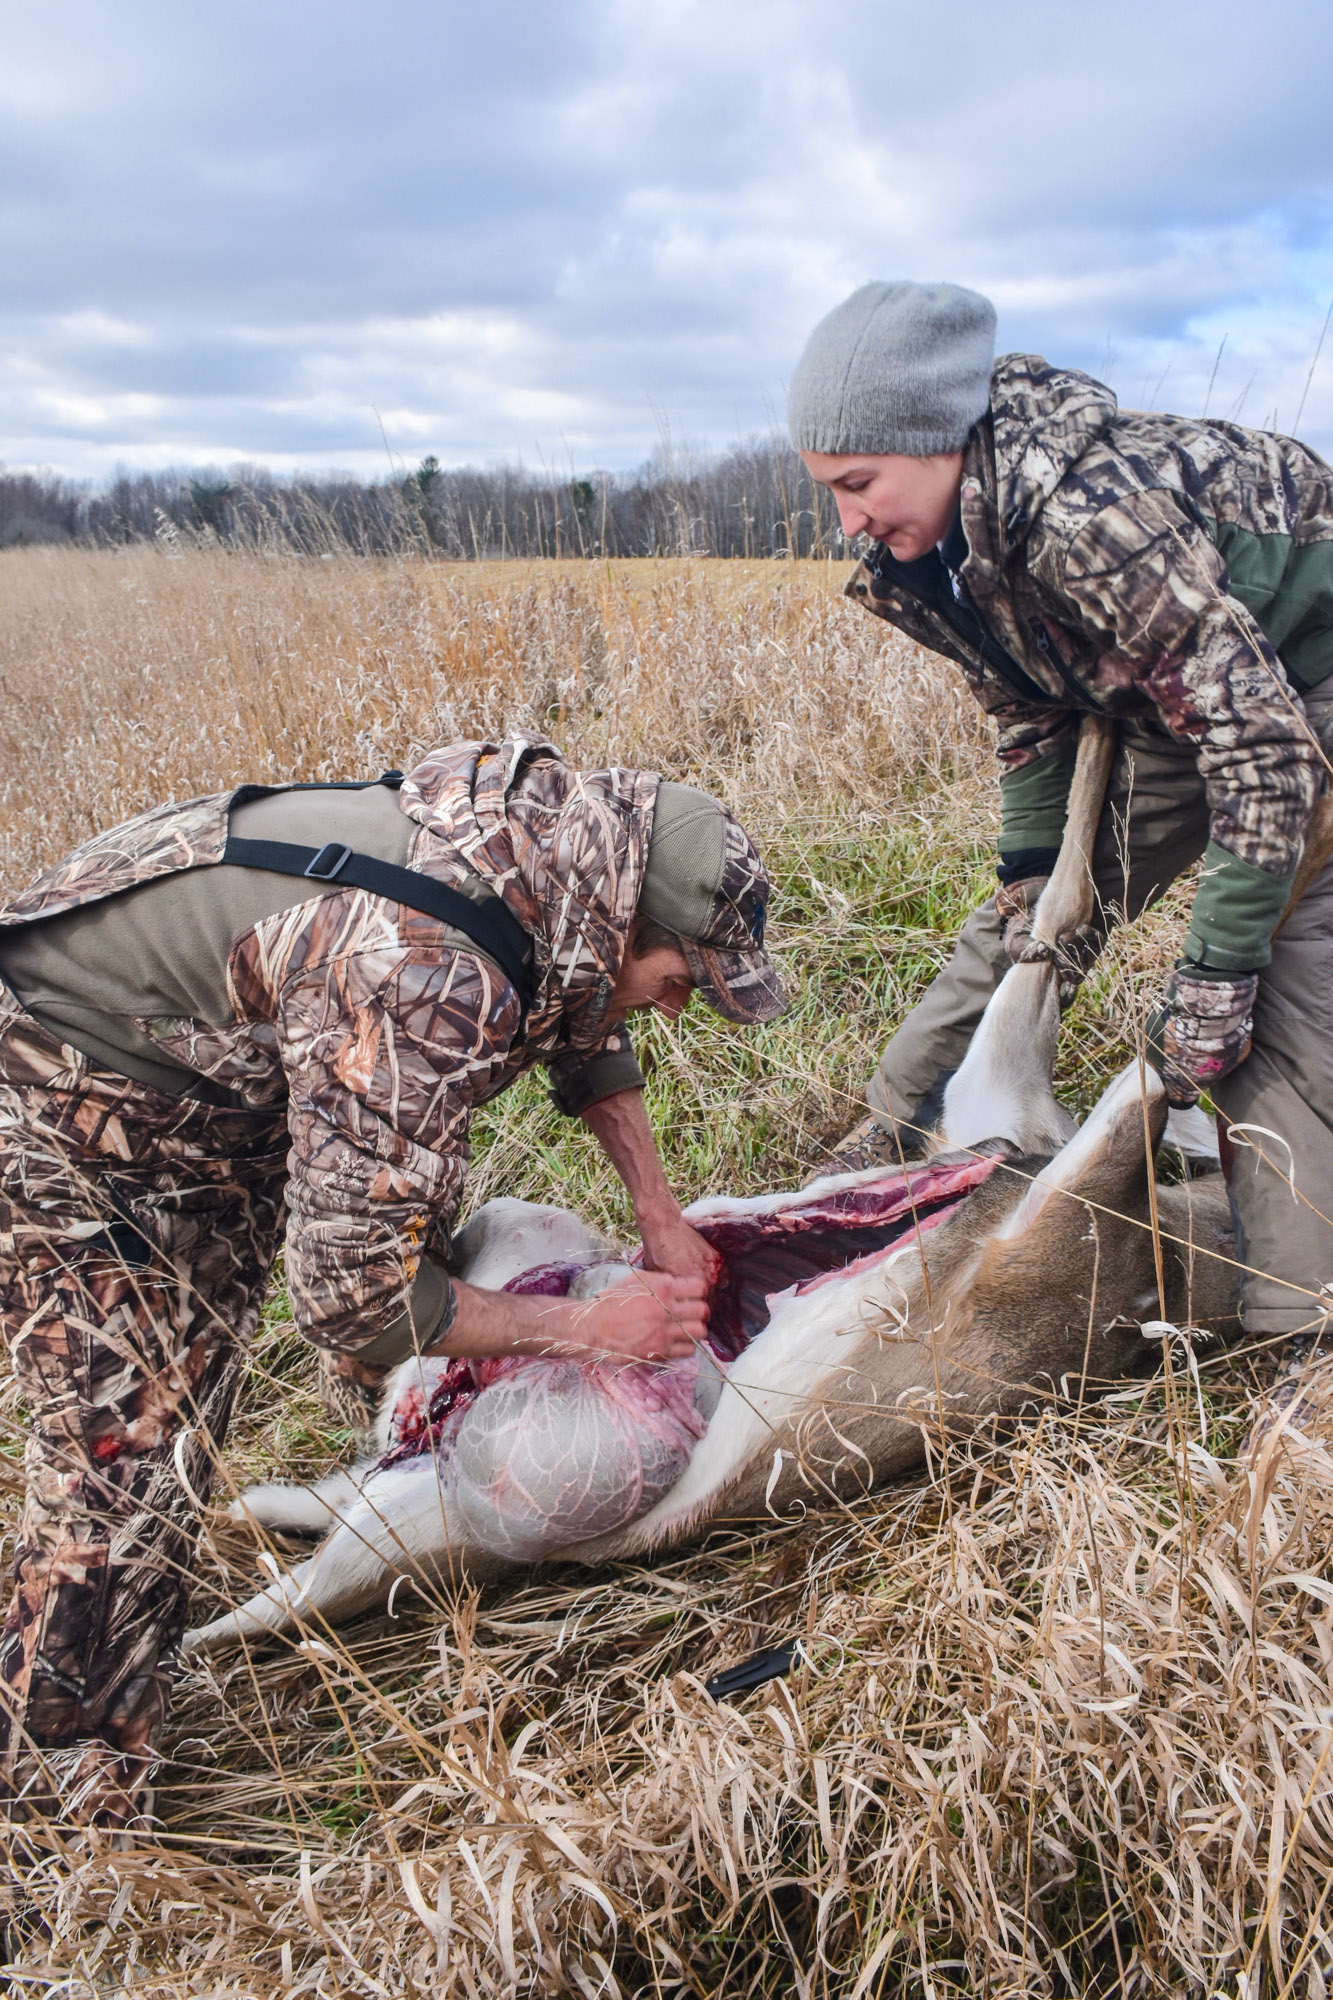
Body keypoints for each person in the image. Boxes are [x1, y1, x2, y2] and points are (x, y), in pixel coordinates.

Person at [0, 734, 785, 1829]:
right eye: (679, 977)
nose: (674, 1007)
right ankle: (54, 1813)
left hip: (196, 1062)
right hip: (69, 1078)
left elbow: (580, 1014)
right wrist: (585, 1326)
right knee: (124, 1454)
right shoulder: (427, 975)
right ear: (626, 924)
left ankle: (122, 1710)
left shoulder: (560, 847)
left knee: (197, 1407)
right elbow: (356, 1303)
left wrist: (656, 1205)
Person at [789, 279, 1333, 1354]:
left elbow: (1264, 752)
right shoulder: (934, 554)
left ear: (940, 438)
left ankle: (1297, 1341)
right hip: (1182, 690)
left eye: (858, 482)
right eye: (828, 491)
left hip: (1308, 680)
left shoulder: (1083, 517)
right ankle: (885, 1140)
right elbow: (1029, 705)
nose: (846, 519)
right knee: (1030, 927)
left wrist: (1213, 973)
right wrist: (1035, 872)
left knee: (1270, 996)